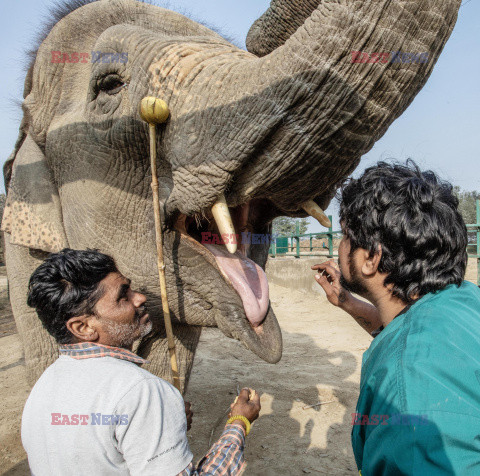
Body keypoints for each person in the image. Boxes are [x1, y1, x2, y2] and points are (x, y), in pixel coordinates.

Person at [22, 248, 260, 475]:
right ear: (83, 327)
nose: (140, 298)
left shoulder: (45, 384)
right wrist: (238, 424)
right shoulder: (141, 390)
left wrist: (162, 428)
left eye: (130, 289)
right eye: (123, 297)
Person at [313, 161, 480, 475]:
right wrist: (350, 304)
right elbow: (415, 330)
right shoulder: (466, 300)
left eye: (346, 235)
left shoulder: (409, 394)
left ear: (371, 258)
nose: (340, 246)